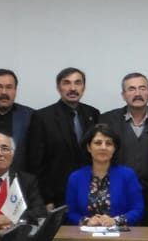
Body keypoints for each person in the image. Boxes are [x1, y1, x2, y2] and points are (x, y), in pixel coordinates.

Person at [99, 73, 148, 225]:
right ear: (123, 95)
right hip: (117, 195)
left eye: (142, 88)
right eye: (131, 89)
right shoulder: (107, 120)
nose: (138, 93)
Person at [27, 67, 100, 202]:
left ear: (83, 87)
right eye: (66, 83)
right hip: (56, 196)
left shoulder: (93, 114)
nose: (72, 88)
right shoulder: (42, 117)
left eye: (77, 83)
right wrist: (45, 199)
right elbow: (35, 164)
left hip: (90, 192)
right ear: (58, 87)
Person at [66, 123, 144, 227]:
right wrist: (86, 221)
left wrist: (115, 221)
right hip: (85, 235)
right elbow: (70, 212)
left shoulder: (128, 175)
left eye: (108, 143)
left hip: (120, 234)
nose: (103, 147)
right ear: (89, 147)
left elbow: (138, 210)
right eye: (98, 143)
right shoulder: (75, 177)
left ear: (114, 148)